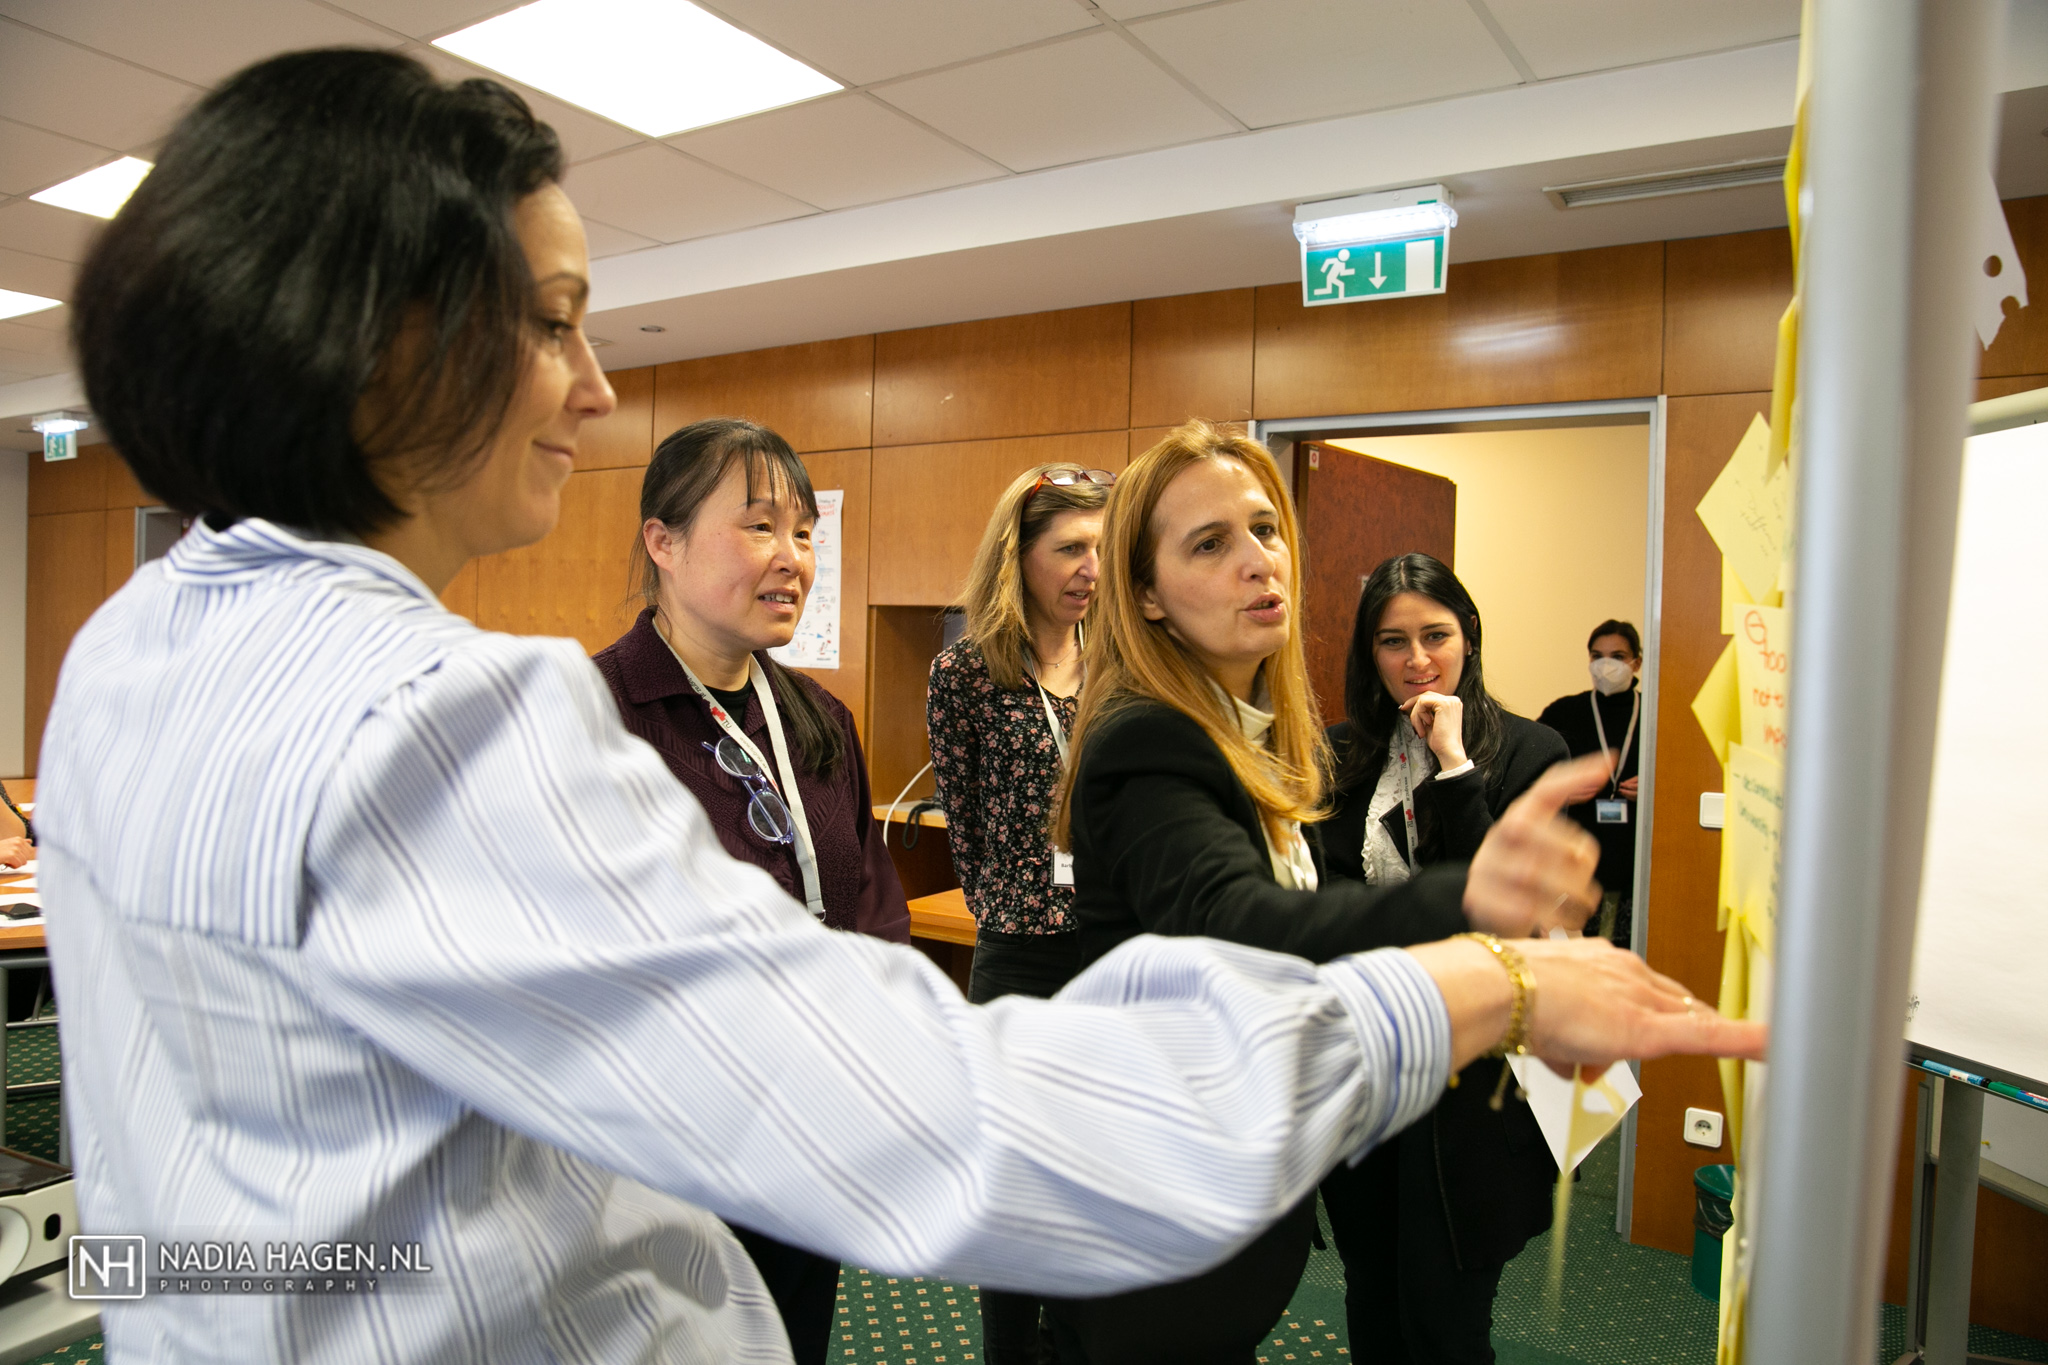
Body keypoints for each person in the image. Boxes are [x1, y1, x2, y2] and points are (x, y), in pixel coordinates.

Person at [42, 49, 1762, 1363]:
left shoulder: (134, 649)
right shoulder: (444, 720)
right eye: (554, 321)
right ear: (382, 345)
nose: (594, 383)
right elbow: (952, 1128)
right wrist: (1470, 984)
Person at [1045, 424, 1638, 1365]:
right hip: (1170, 1193)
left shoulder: (1257, 735)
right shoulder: (1157, 736)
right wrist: (1467, 896)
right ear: (1146, 595)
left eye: (1264, 529)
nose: (1257, 562)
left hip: (1318, 1135)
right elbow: (1235, 924)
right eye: (1210, 543)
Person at [593, 418, 911, 1363]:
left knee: (790, 1338)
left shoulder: (818, 717)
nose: (793, 557)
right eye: (760, 526)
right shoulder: (596, 714)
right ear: (664, 541)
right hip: (668, 1149)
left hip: (810, 1128)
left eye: (807, 532)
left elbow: (867, 903)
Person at [1318, 552, 1573, 1364]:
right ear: (1370, 654)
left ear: (1469, 639)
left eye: (1437, 635)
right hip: (1368, 1061)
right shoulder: (1340, 754)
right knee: (1374, 1287)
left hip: (1475, 1079)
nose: (1417, 658)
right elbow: (1321, 901)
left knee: (1447, 1312)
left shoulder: (1533, 751)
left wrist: (1456, 767)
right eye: (1393, 641)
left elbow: (1509, 903)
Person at [927, 462, 1110, 1363]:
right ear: (1020, 554)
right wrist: (1015, 899)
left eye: (1105, 550)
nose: (1092, 568)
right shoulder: (967, 671)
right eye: (1071, 548)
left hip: (1112, 954)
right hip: (1021, 956)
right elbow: (962, 820)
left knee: (1094, 1179)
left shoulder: (1121, 665)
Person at [1538, 620, 1645, 949]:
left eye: (1617, 656)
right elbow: (1532, 777)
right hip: (1578, 856)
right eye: (1597, 656)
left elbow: (1682, 782)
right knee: (1579, 954)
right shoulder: (1563, 713)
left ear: (1637, 662)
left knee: (1629, 950)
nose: (1606, 664)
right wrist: (1563, 791)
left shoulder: (1658, 712)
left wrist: (1658, 788)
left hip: (1635, 857)